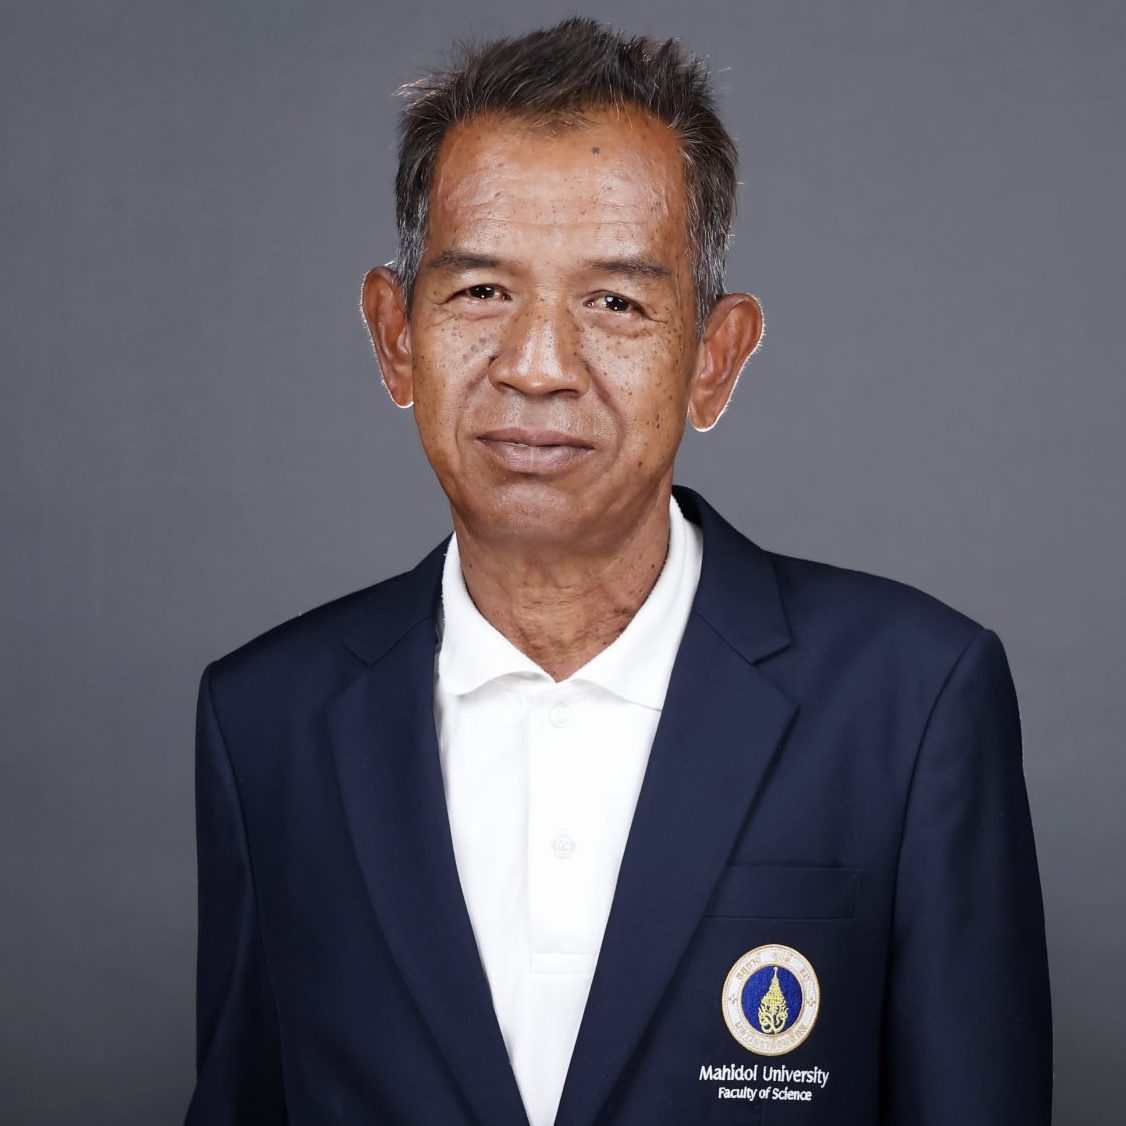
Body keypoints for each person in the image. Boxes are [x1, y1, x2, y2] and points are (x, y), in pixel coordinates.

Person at [184, 17, 1052, 1126]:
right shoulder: (267, 720)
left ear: (714, 358)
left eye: (615, 302)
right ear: (396, 337)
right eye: (481, 291)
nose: (538, 367)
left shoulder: (910, 700)